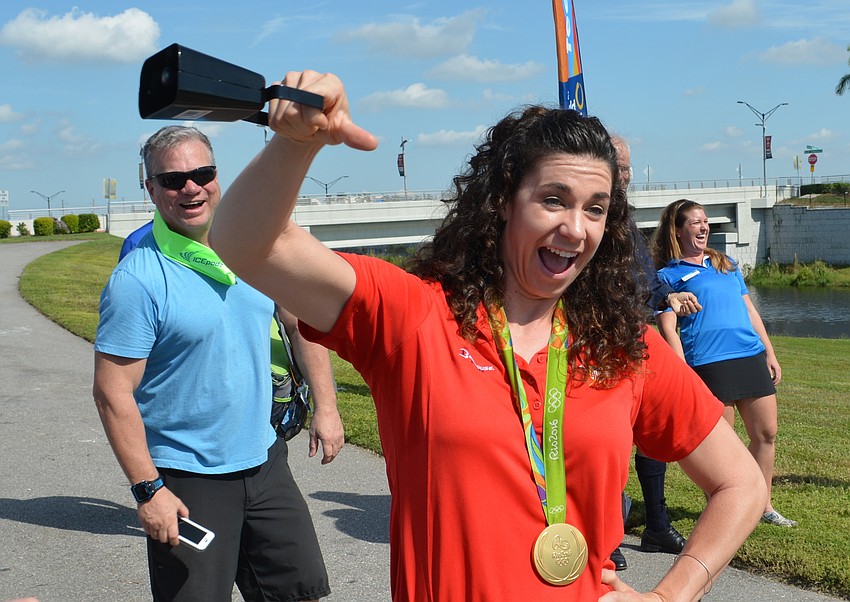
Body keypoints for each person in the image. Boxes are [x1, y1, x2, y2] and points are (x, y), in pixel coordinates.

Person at [209, 71, 767, 601]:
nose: (575, 228)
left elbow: (742, 484)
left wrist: (674, 591)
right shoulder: (413, 316)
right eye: (553, 199)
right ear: (502, 200)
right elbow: (246, 245)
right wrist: (295, 144)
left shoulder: (624, 349)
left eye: (595, 209)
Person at [92, 125, 345, 601]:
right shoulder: (138, 279)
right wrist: (149, 491)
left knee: (297, 591)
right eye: (171, 179)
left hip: (265, 460)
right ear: (150, 188)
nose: (190, 187)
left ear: (216, 175)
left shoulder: (254, 246)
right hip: (188, 476)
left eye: (201, 172)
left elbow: (301, 325)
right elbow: (112, 392)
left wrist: (327, 408)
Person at [651, 198, 797, 528]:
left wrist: (769, 351)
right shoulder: (666, 277)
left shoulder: (725, 264)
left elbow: (749, 310)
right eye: (695, 222)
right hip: (708, 363)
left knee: (767, 434)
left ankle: (763, 506)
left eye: (706, 222)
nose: (704, 227)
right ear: (678, 230)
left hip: (748, 355)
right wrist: (681, 369)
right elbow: (667, 327)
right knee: (723, 447)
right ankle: (724, 509)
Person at [608, 137, 702, 570]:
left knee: (648, 433)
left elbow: (642, 275)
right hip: (598, 341)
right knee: (608, 440)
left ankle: (656, 525)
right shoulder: (594, 214)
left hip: (635, 339)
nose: (625, 176)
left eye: (628, 169)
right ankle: (604, 533)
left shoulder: (622, 215)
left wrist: (668, 295)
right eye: (619, 167)